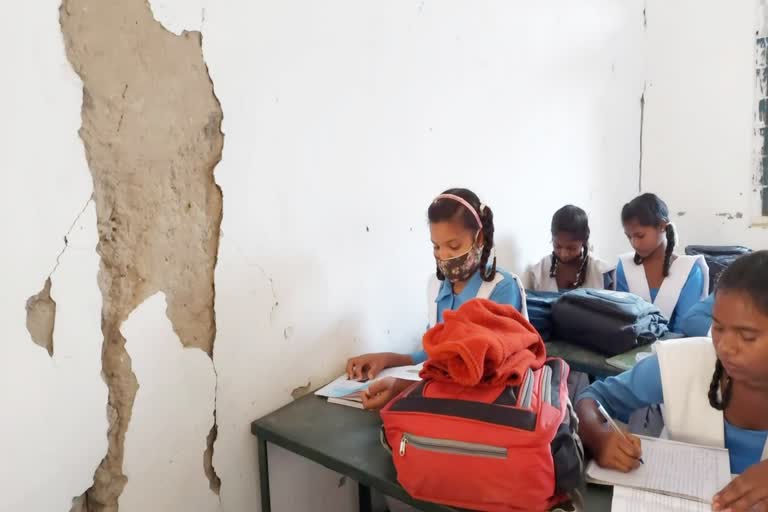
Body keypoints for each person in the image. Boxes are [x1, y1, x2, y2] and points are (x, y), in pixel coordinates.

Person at [575, 251, 768, 511]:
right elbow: (591, 399)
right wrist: (599, 437)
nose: (725, 346)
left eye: (747, 336)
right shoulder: (684, 363)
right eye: (718, 328)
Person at [345, 188, 526, 409]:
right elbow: (432, 354)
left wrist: (406, 388)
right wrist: (386, 359)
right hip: (440, 401)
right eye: (436, 246)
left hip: (486, 407)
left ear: (480, 239)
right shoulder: (436, 286)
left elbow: (485, 372)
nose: (442, 255)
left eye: (453, 246)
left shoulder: (501, 288)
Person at [616, 193, 709, 332]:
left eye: (640, 235)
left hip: (676, 349)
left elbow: (685, 329)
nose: (634, 243)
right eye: (629, 237)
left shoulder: (689, 270)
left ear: (662, 226)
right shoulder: (625, 266)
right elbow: (622, 321)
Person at [527, 204, 615, 291]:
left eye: (571, 248)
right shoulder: (539, 271)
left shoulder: (602, 272)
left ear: (584, 241)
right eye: (557, 246)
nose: (564, 254)